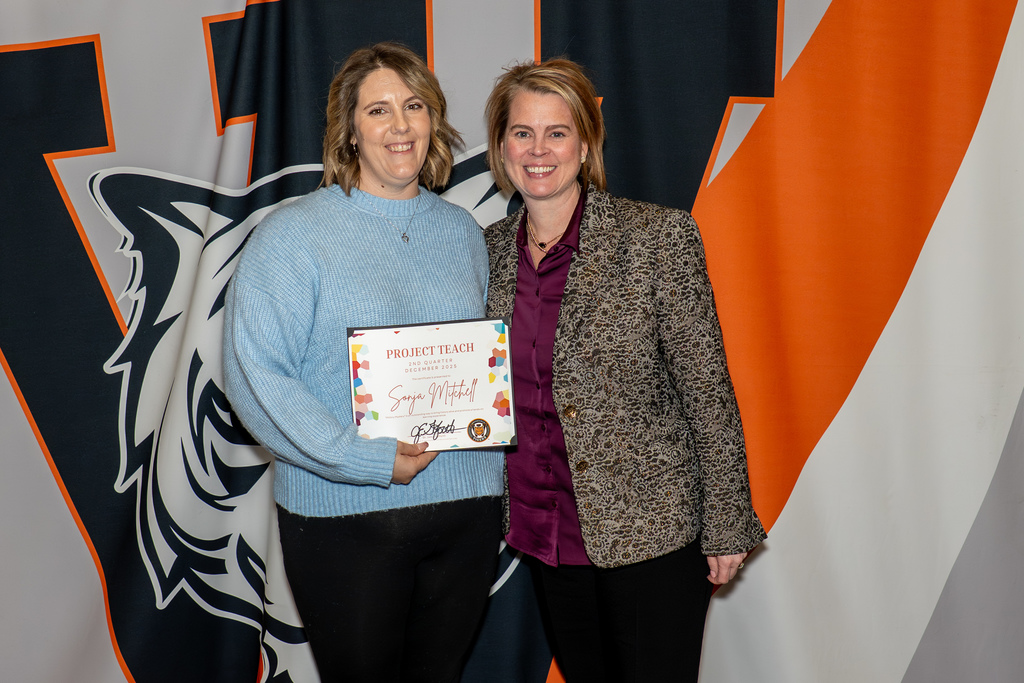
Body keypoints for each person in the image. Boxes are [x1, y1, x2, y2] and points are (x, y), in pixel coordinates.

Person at [222, 42, 504, 682]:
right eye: (378, 110)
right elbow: (255, 378)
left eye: (413, 106)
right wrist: (366, 457)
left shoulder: (462, 232)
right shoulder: (292, 235)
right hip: (343, 520)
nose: (400, 126)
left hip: (467, 512)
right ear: (348, 129)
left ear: (433, 120)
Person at [482, 58, 767, 682]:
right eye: (521, 133)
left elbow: (707, 392)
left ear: (585, 144)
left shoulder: (656, 238)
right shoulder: (487, 254)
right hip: (543, 530)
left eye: (556, 132)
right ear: (501, 150)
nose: (538, 150)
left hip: (651, 534)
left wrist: (726, 523)